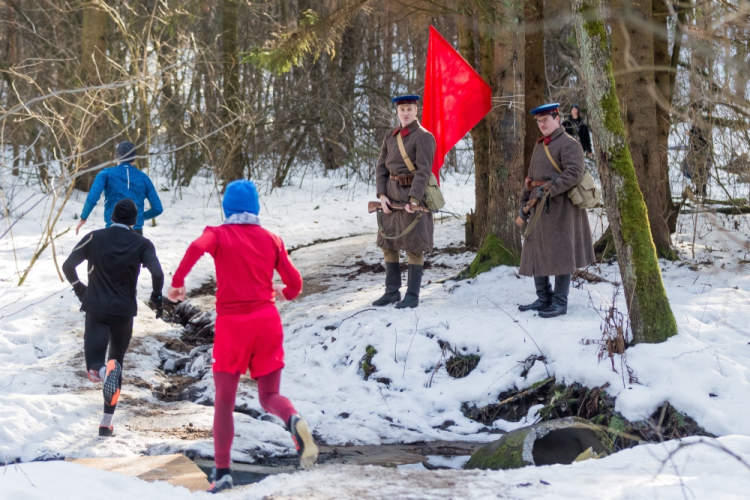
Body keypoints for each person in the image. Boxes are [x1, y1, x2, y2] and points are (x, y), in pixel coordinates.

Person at [167, 180, 318, 493]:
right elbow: (295, 284)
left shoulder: (218, 235)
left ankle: (222, 472)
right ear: (256, 208)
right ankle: (292, 421)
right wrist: (284, 292)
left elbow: (196, 247)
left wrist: (179, 281)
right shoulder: (271, 239)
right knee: (268, 397)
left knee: (224, 401)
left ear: (227, 208)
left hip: (233, 327)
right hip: (267, 323)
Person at [62, 199, 164, 437]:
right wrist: (157, 297)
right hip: (124, 313)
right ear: (134, 221)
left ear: (112, 217)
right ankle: (106, 423)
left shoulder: (94, 237)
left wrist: (79, 288)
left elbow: (68, 265)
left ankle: (103, 372)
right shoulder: (143, 244)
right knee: (115, 362)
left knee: (95, 367)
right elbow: (158, 273)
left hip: (96, 310)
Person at [517, 103, 595, 318]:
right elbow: (531, 178)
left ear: (556, 118)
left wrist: (551, 189)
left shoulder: (570, 144)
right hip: (537, 205)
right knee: (535, 250)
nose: (542, 124)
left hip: (561, 208)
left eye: (546, 120)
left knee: (562, 253)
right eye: (539, 121)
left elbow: (575, 173)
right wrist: (524, 202)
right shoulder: (540, 145)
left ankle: (560, 301)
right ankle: (544, 298)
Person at [372, 95, 437, 309]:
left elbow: (424, 170)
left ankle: (412, 295)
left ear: (415, 110)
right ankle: (392, 292)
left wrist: (414, 198)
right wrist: (381, 196)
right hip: (390, 196)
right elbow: (381, 167)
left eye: (409, 109)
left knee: (413, 246)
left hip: (412, 195)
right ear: (398, 112)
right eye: (402, 110)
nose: (405, 113)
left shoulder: (424, 137)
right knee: (388, 244)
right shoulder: (390, 136)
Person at [76, 141, 163, 236]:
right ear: (134, 158)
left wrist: (83, 217)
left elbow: (92, 197)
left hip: (112, 229)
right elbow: (157, 208)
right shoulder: (144, 178)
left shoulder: (105, 174)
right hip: (136, 232)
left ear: (117, 156)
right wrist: (140, 217)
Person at [683, 103, 712, 196]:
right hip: (695, 148)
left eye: (693, 110)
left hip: (701, 148)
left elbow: (702, 134)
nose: (692, 111)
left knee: (701, 169)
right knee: (695, 168)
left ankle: (702, 190)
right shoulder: (696, 119)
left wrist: (691, 133)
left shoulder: (702, 119)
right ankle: (698, 189)